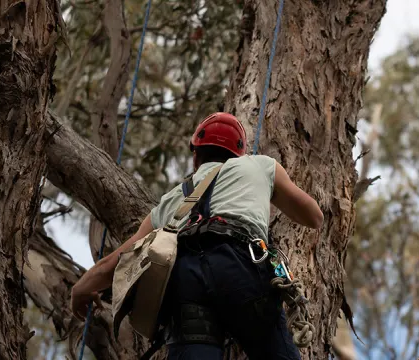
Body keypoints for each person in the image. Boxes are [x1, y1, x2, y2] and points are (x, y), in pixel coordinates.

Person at [70, 112, 323, 360]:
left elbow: (120, 259)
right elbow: (314, 217)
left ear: (195, 156)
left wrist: (82, 287)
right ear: (240, 152)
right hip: (242, 269)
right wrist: (270, 191)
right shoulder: (260, 165)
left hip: (186, 281)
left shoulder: (170, 201)